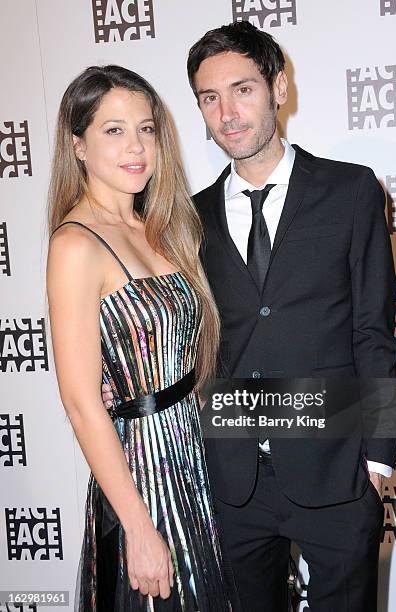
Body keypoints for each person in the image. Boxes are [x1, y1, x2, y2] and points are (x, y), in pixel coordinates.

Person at [102, 23, 396, 612]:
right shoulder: (186, 220)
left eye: (243, 90)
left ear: (278, 88)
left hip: (337, 472)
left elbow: (375, 330)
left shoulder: (351, 190)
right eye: (209, 99)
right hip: (232, 482)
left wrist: (377, 457)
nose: (228, 113)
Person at [47, 65, 232, 612]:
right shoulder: (75, 246)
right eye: (114, 130)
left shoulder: (161, 225)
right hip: (142, 476)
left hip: (195, 461)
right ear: (77, 144)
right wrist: (140, 528)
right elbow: (83, 405)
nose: (136, 147)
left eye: (146, 129)